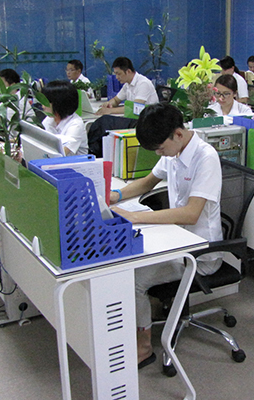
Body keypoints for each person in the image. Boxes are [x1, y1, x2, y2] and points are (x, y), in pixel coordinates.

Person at [110, 103, 223, 368]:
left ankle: (143, 348)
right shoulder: (174, 151)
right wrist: (115, 195)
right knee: (128, 261)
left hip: (200, 254)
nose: (160, 153)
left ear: (178, 134)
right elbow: (148, 182)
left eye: (160, 148)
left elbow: (191, 214)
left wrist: (136, 217)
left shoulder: (205, 157)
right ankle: (139, 323)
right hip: (176, 241)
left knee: (134, 279)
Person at [39, 80, 88, 156]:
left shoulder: (76, 125)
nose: (43, 106)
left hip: (73, 163)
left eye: (46, 103)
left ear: (59, 103)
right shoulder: (49, 119)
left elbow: (61, 154)